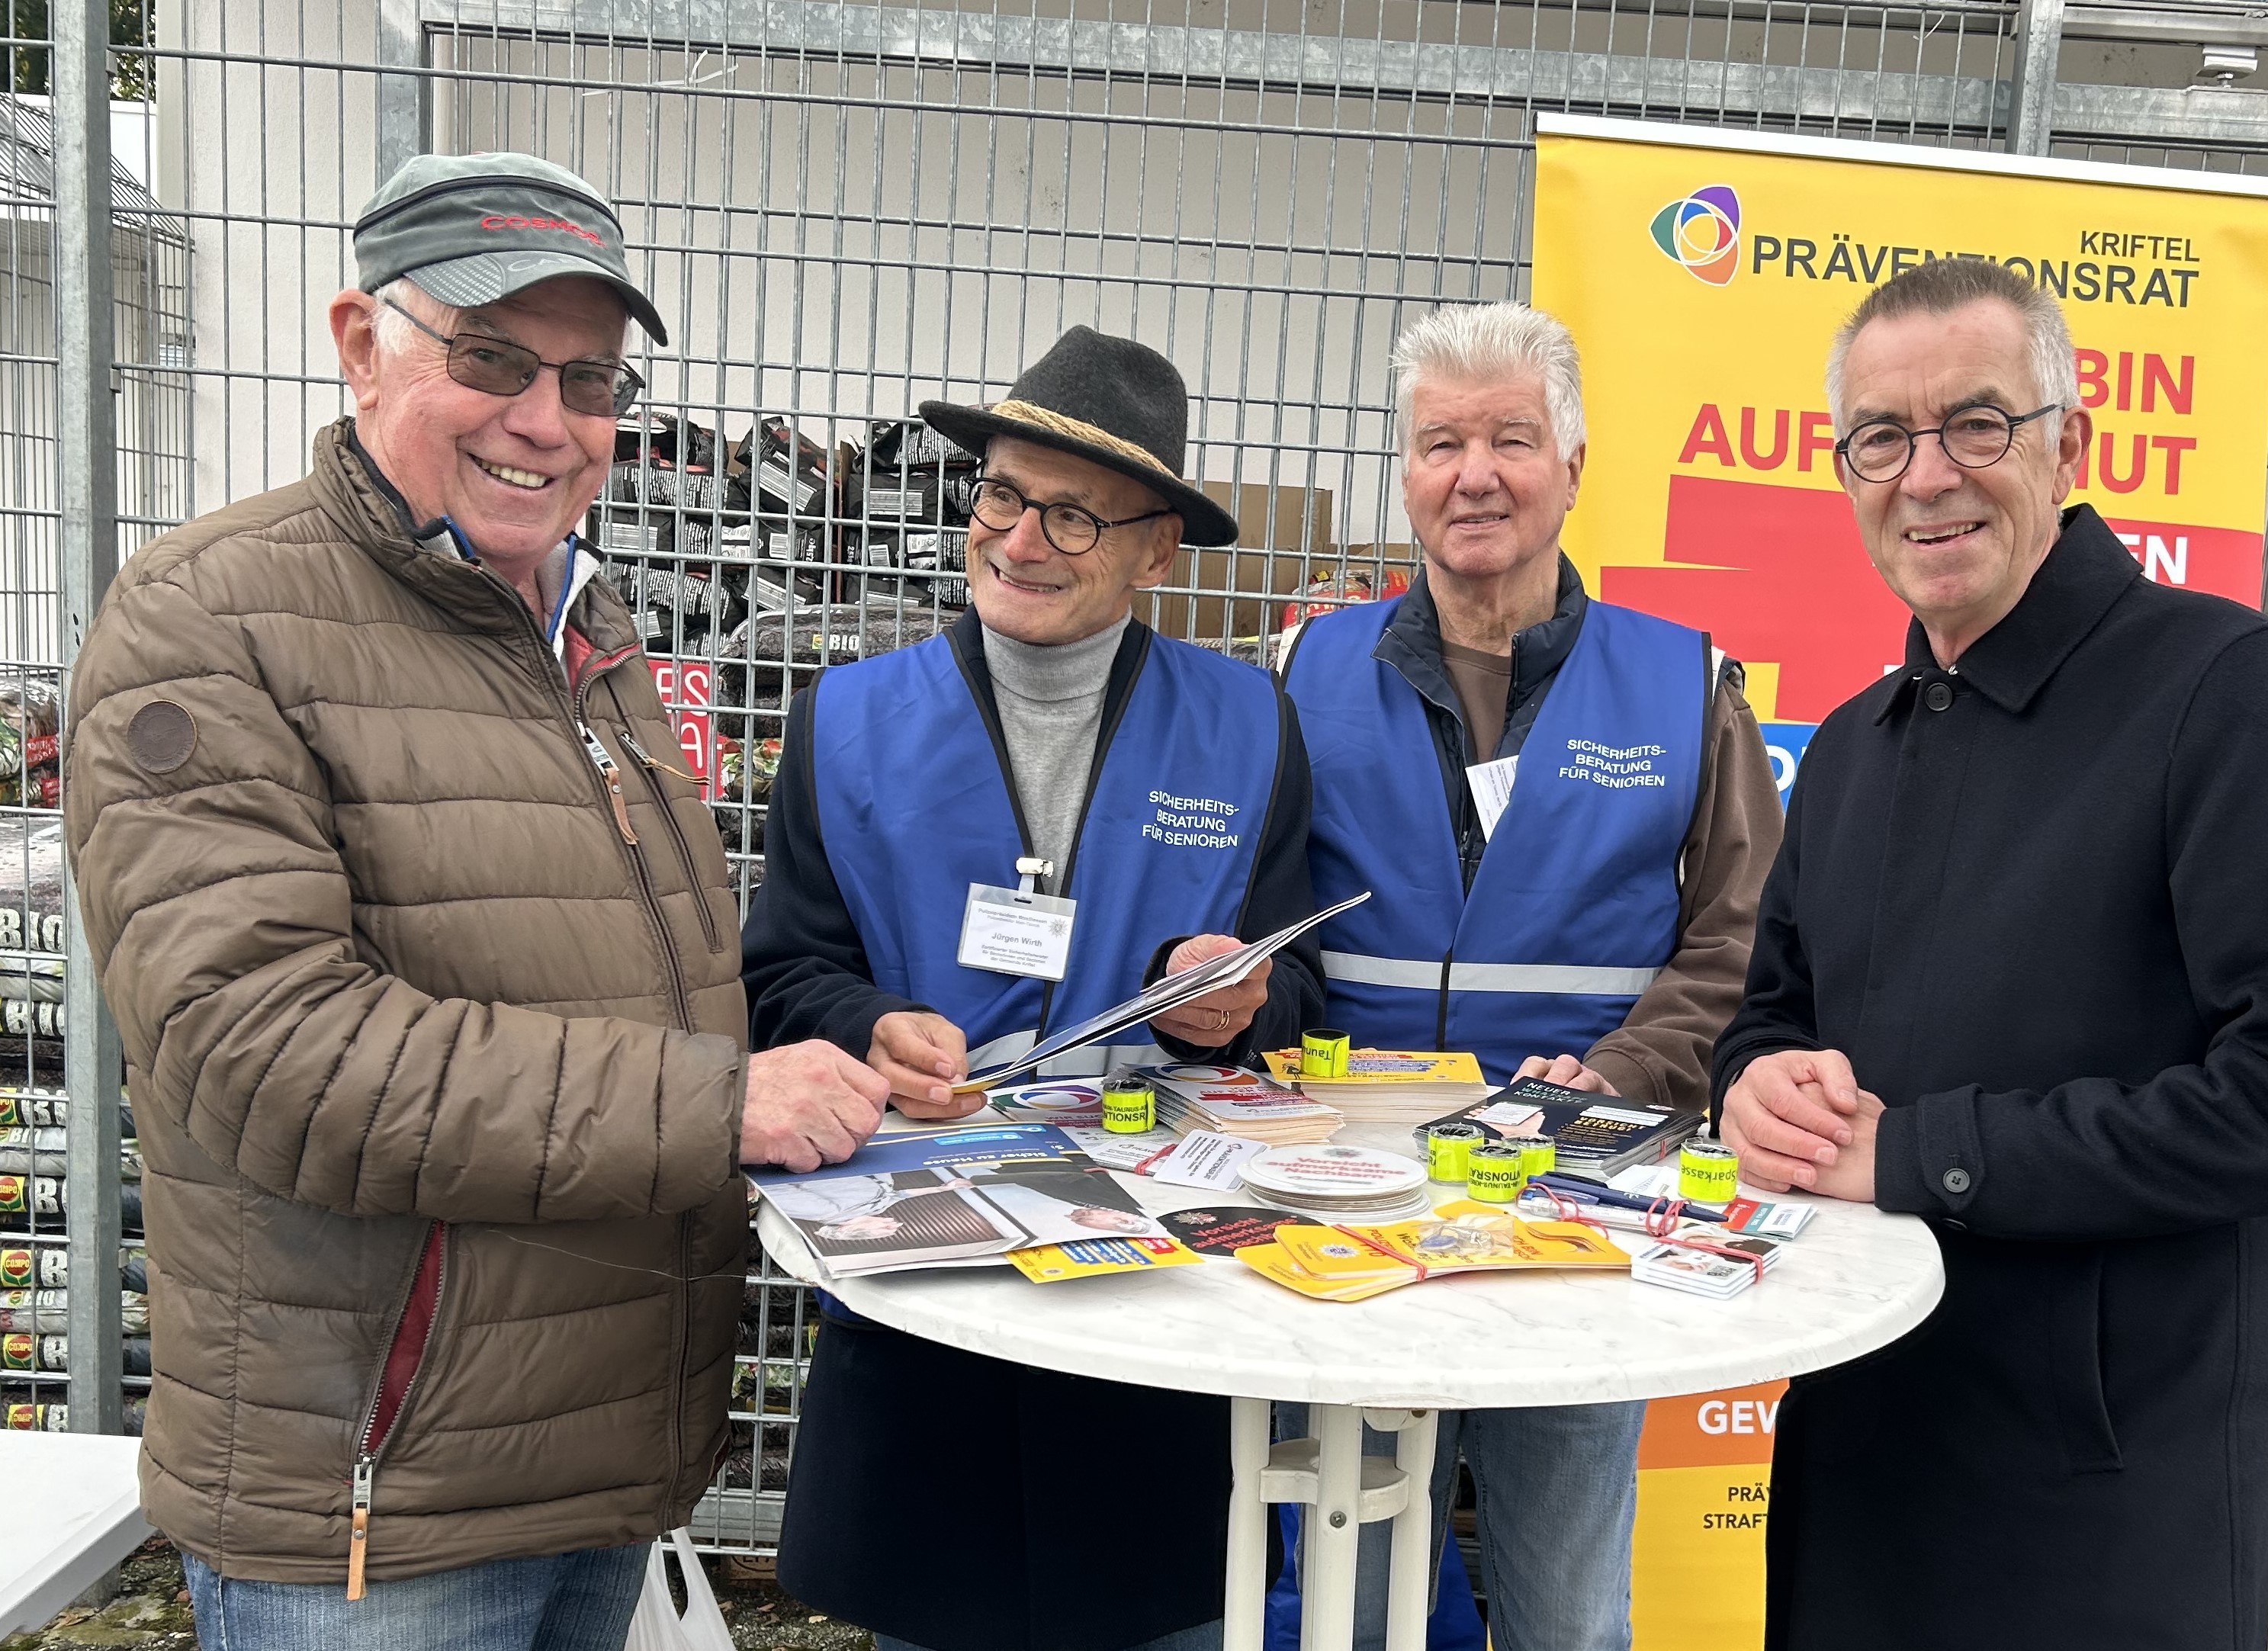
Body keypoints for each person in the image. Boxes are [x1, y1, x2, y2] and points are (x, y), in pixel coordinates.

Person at [61, 153, 888, 1650]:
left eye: (590, 381)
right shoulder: (207, 625)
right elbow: (270, 1053)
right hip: (379, 1505)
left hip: (599, 1462)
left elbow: (642, 977)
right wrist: (721, 1106)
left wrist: (845, 1054)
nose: (546, 420)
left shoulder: (588, 624)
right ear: (361, 342)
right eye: (493, 358)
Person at [1708, 257, 2268, 1651]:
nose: (1925, 476)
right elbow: (1771, 1014)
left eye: (1976, 423)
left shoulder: (2227, 691)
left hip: (2096, 1488)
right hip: (1859, 1437)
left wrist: (1922, 1153)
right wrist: (1757, 1086)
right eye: (1880, 438)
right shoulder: (1850, 744)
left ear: (2066, 445)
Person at [745, 323, 1325, 1651]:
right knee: (935, 1617)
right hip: (926, 1279)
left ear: (1153, 549)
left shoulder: (1247, 723)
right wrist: (865, 1022)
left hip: (1155, 1297)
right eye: (1002, 493)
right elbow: (782, 971)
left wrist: (1238, 1000)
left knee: (1154, 1612)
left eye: (1073, 514)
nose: (1018, 539)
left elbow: (1298, 987)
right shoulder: (847, 717)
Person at [1280, 301, 1785, 1650]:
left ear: (1571, 464)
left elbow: (1741, 939)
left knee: (1563, 1606)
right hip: (1343, 1202)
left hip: (1580, 1204)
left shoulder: (1684, 685)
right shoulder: (1302, 671)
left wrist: (1614, 1078)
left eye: (1511, 437)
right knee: (1346, 1597)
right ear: (1405, 474)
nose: (1475, 472)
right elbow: (1256, 927)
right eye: (1441, 442)